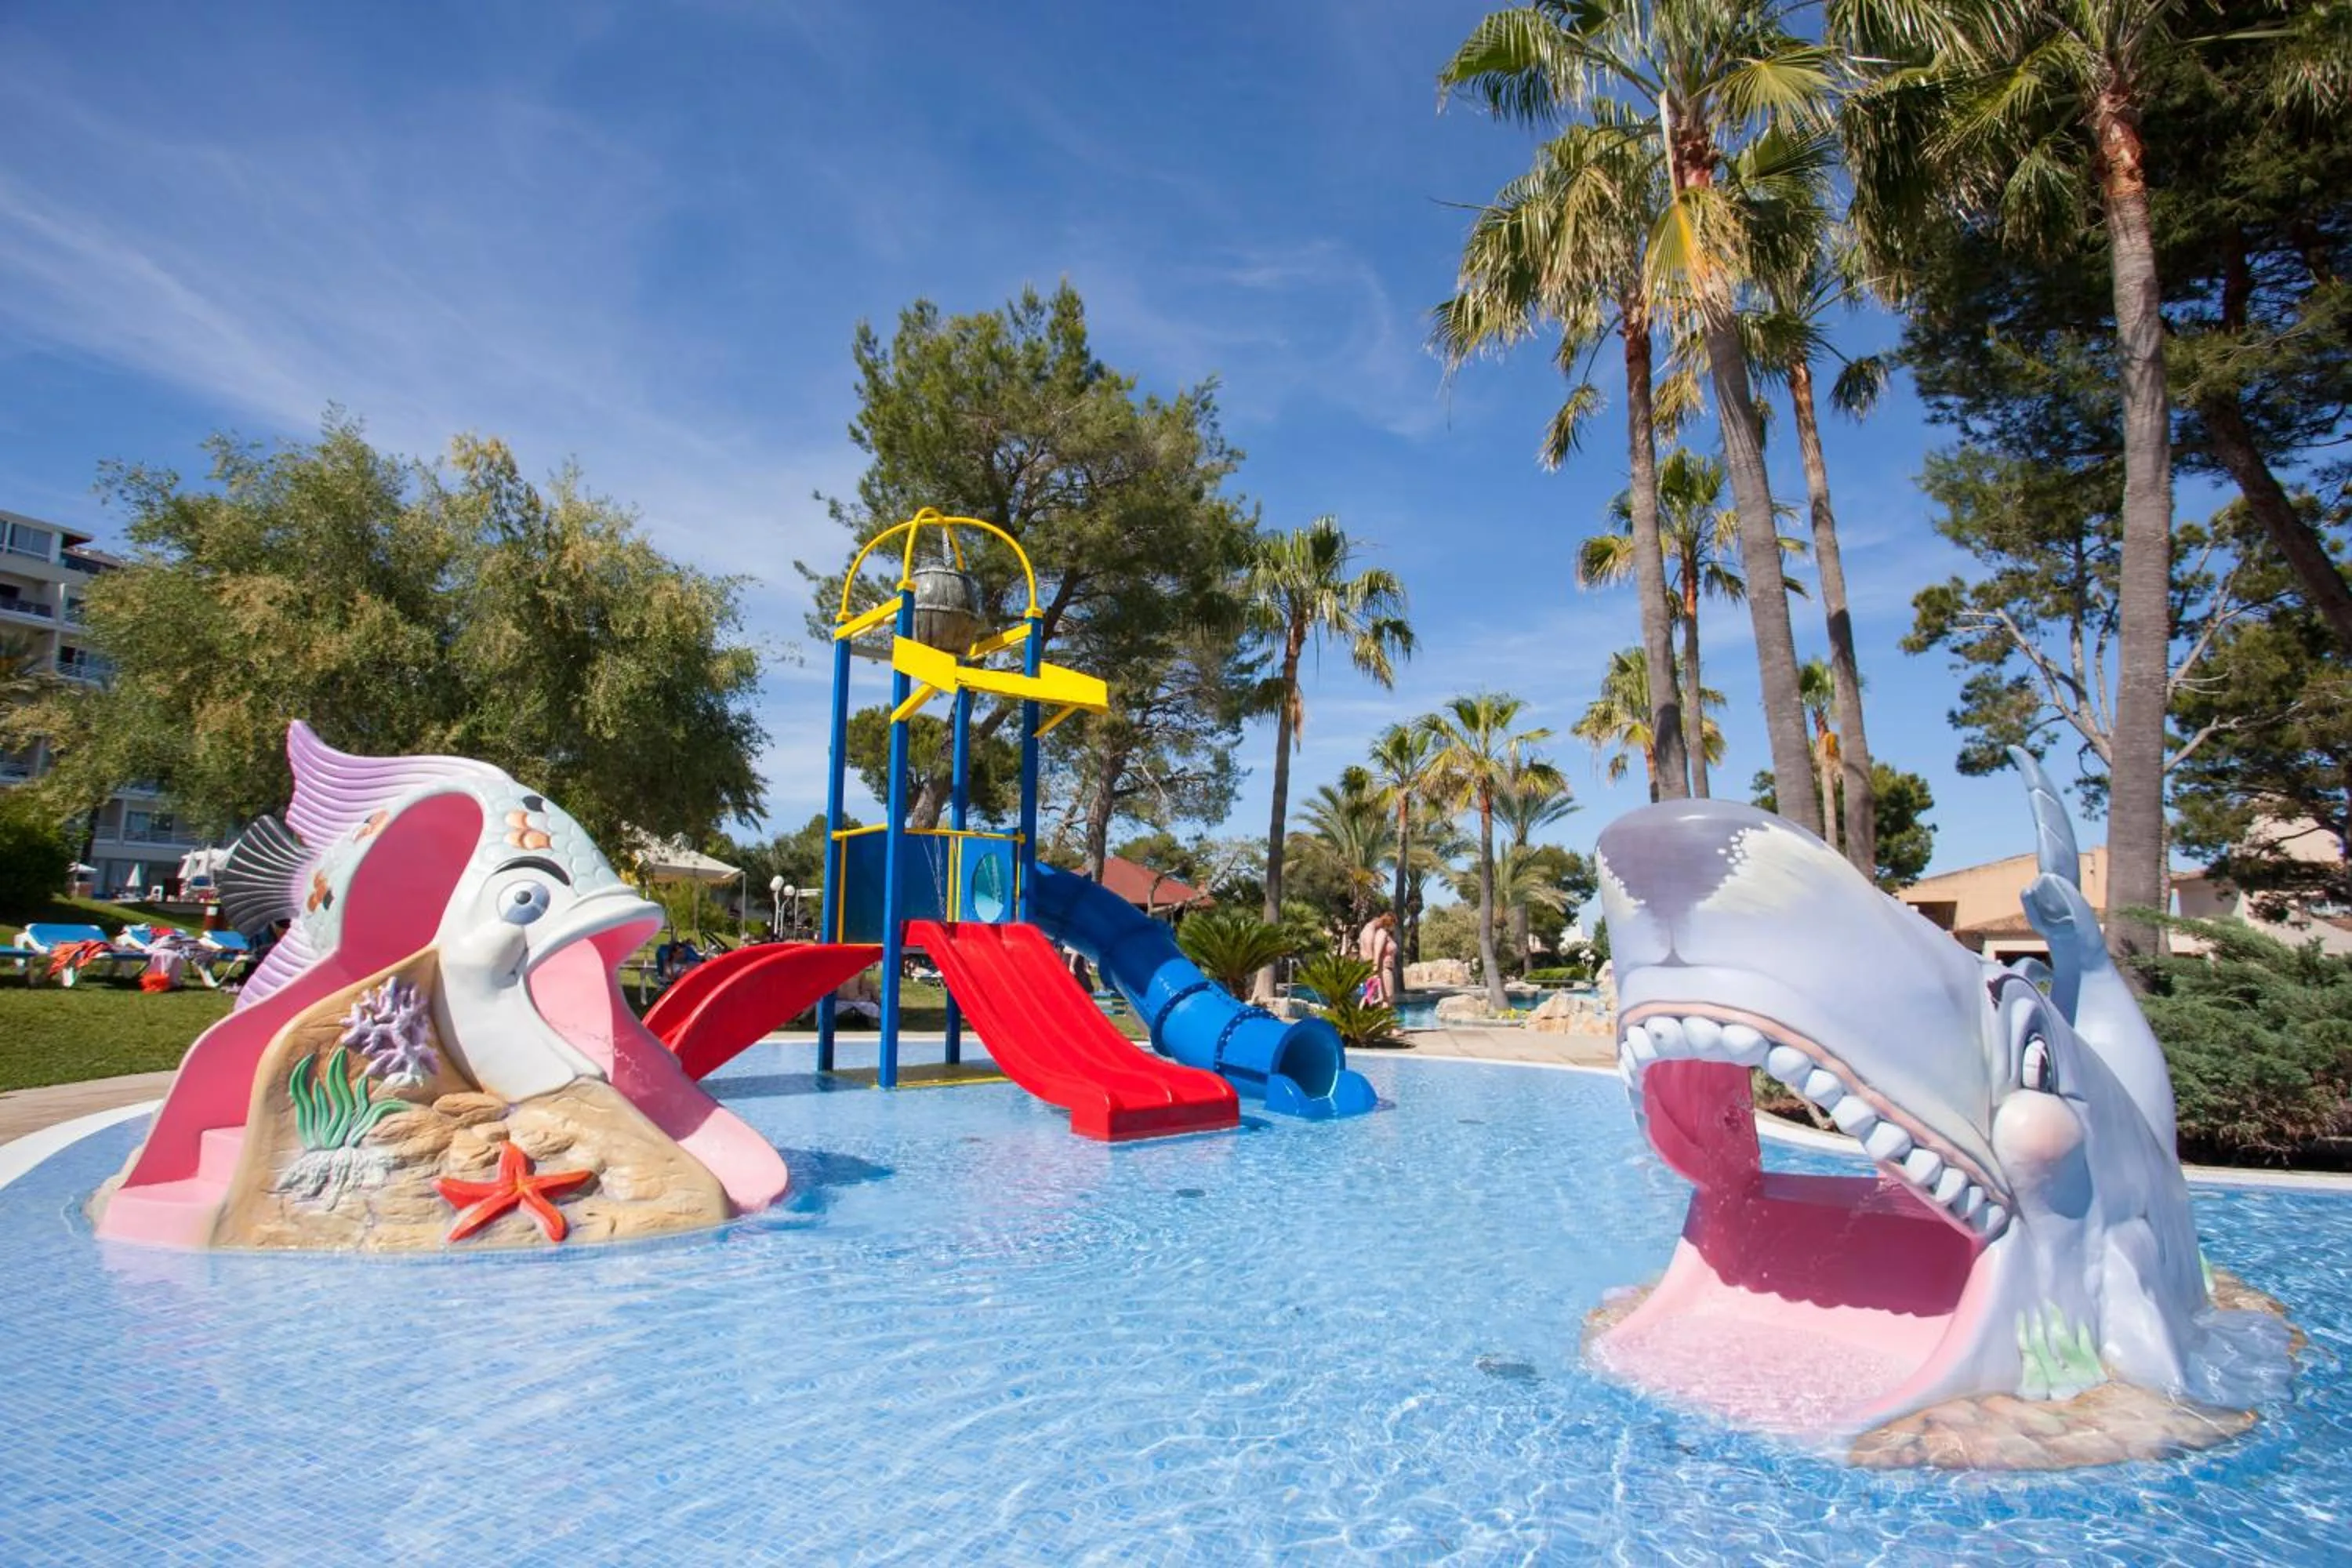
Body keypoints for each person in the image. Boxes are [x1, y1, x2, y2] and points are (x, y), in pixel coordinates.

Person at [1356, 911, 1399, 1004]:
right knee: (1372, 997)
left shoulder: (1371, 929)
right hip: (1370, 968)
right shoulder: (1370, 931)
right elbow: (1372, 955)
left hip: (1369, 968)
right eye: (1392, 925)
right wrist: (1375, 974)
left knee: (1371, 997)